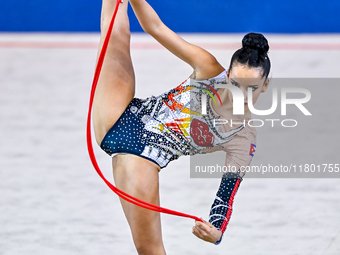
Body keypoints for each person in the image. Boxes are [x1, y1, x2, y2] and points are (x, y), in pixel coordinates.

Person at [92, 0, 271, 254]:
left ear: (265, 86)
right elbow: (155, 27)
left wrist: (216, 233)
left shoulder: (243, 138)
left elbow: (225, 197)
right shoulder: (209, 68)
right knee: (114, 32)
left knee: (150, 250)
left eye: (252, 88)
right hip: (120, 112)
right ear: (228, 74)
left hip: (142, 156)